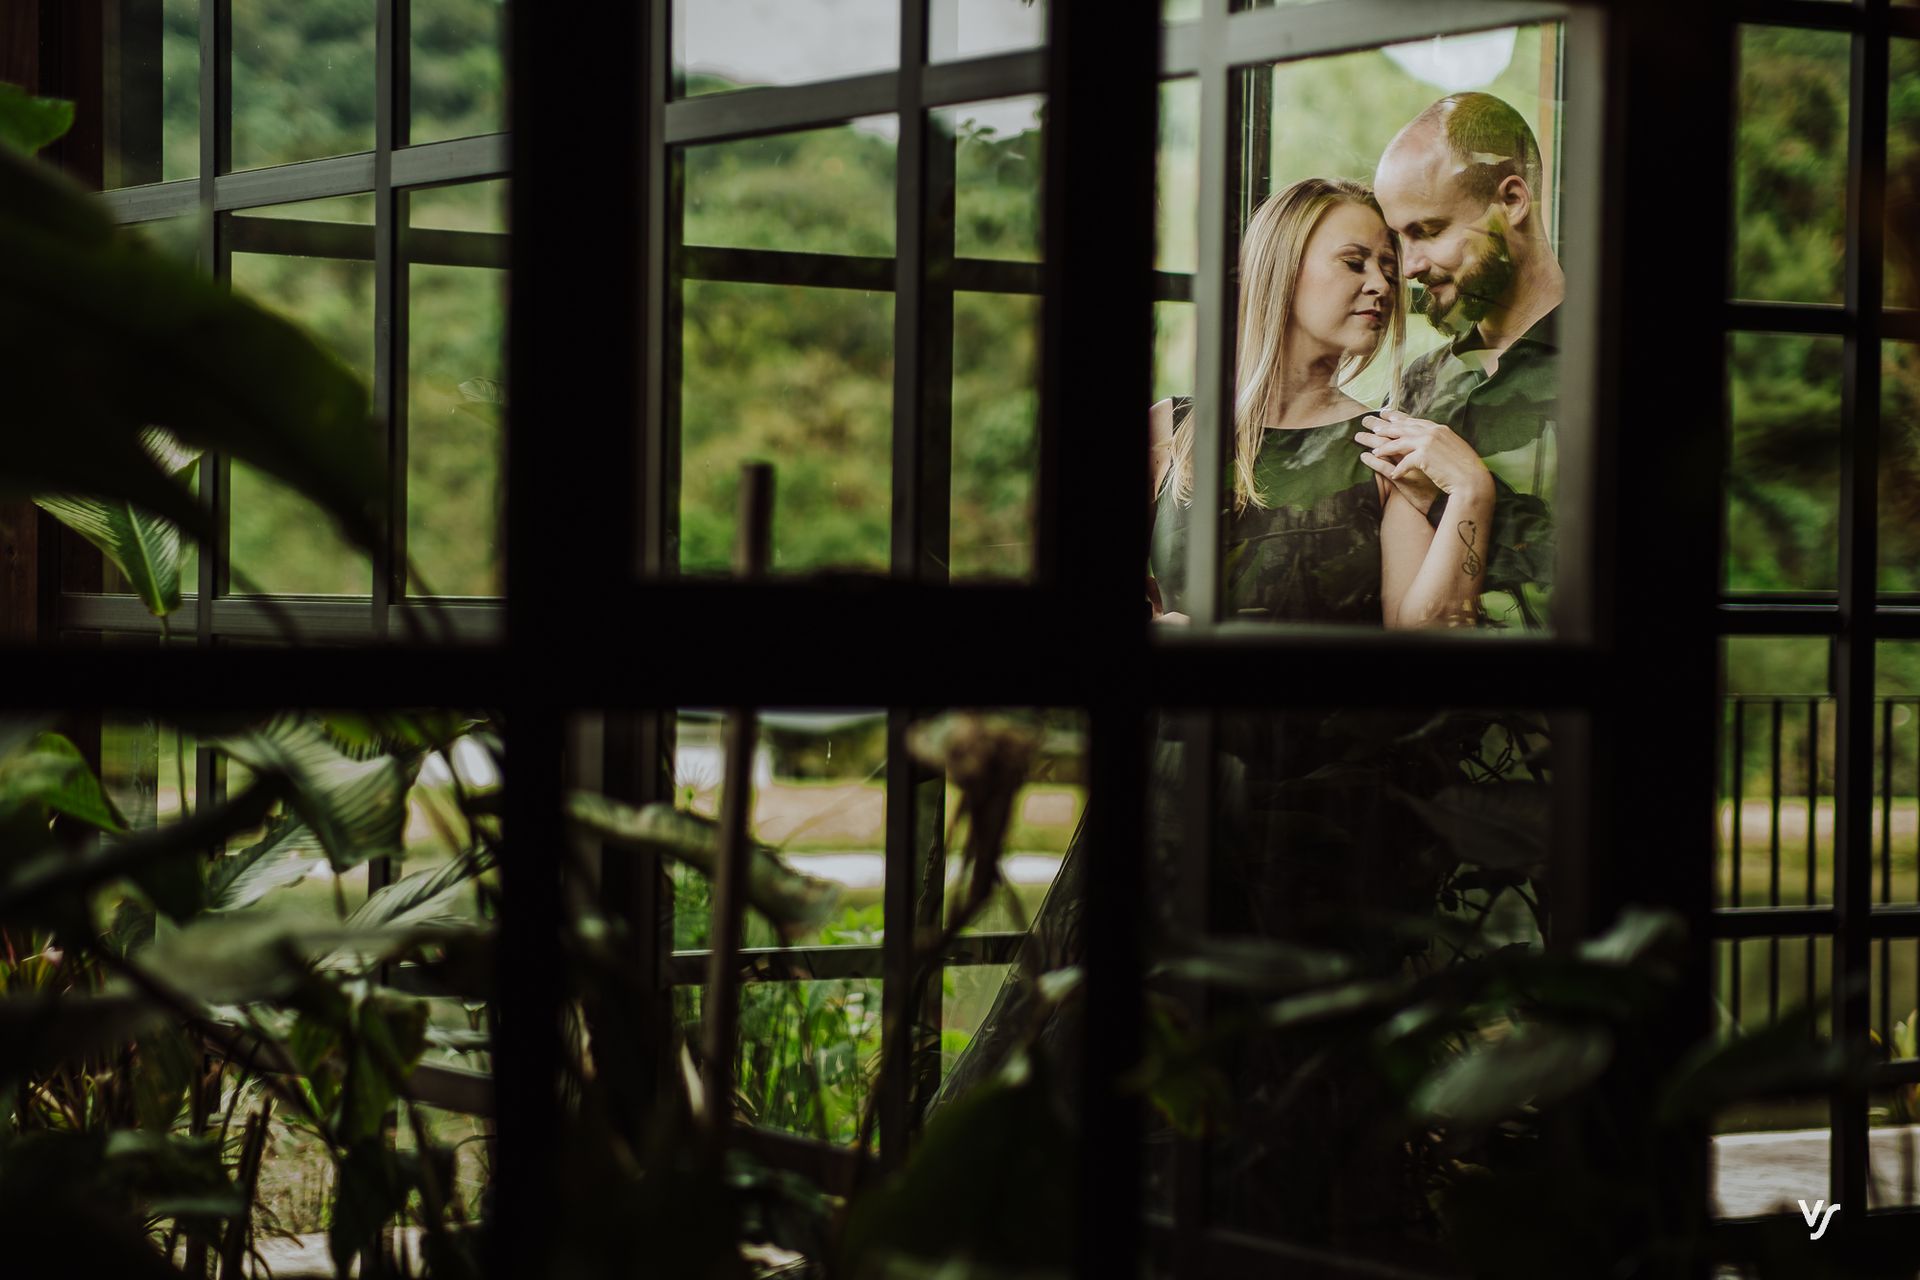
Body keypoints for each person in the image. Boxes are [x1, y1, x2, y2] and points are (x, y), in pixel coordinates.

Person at [1146, 176, 1494, 630]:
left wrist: (1473, 494)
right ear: (1281, 269)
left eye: (1389, 269)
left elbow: (1420, 650)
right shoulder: (1171, 429)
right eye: (1354, 263)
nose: (1383, 286)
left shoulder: (1387, 448)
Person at [1363, 91, 1564, 628]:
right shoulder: (1419, 385)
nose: (1407, 268)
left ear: (1513, 201)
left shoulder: (1613, 366)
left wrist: (1451, 499)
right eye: (1397, 240)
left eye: (1427, 232)